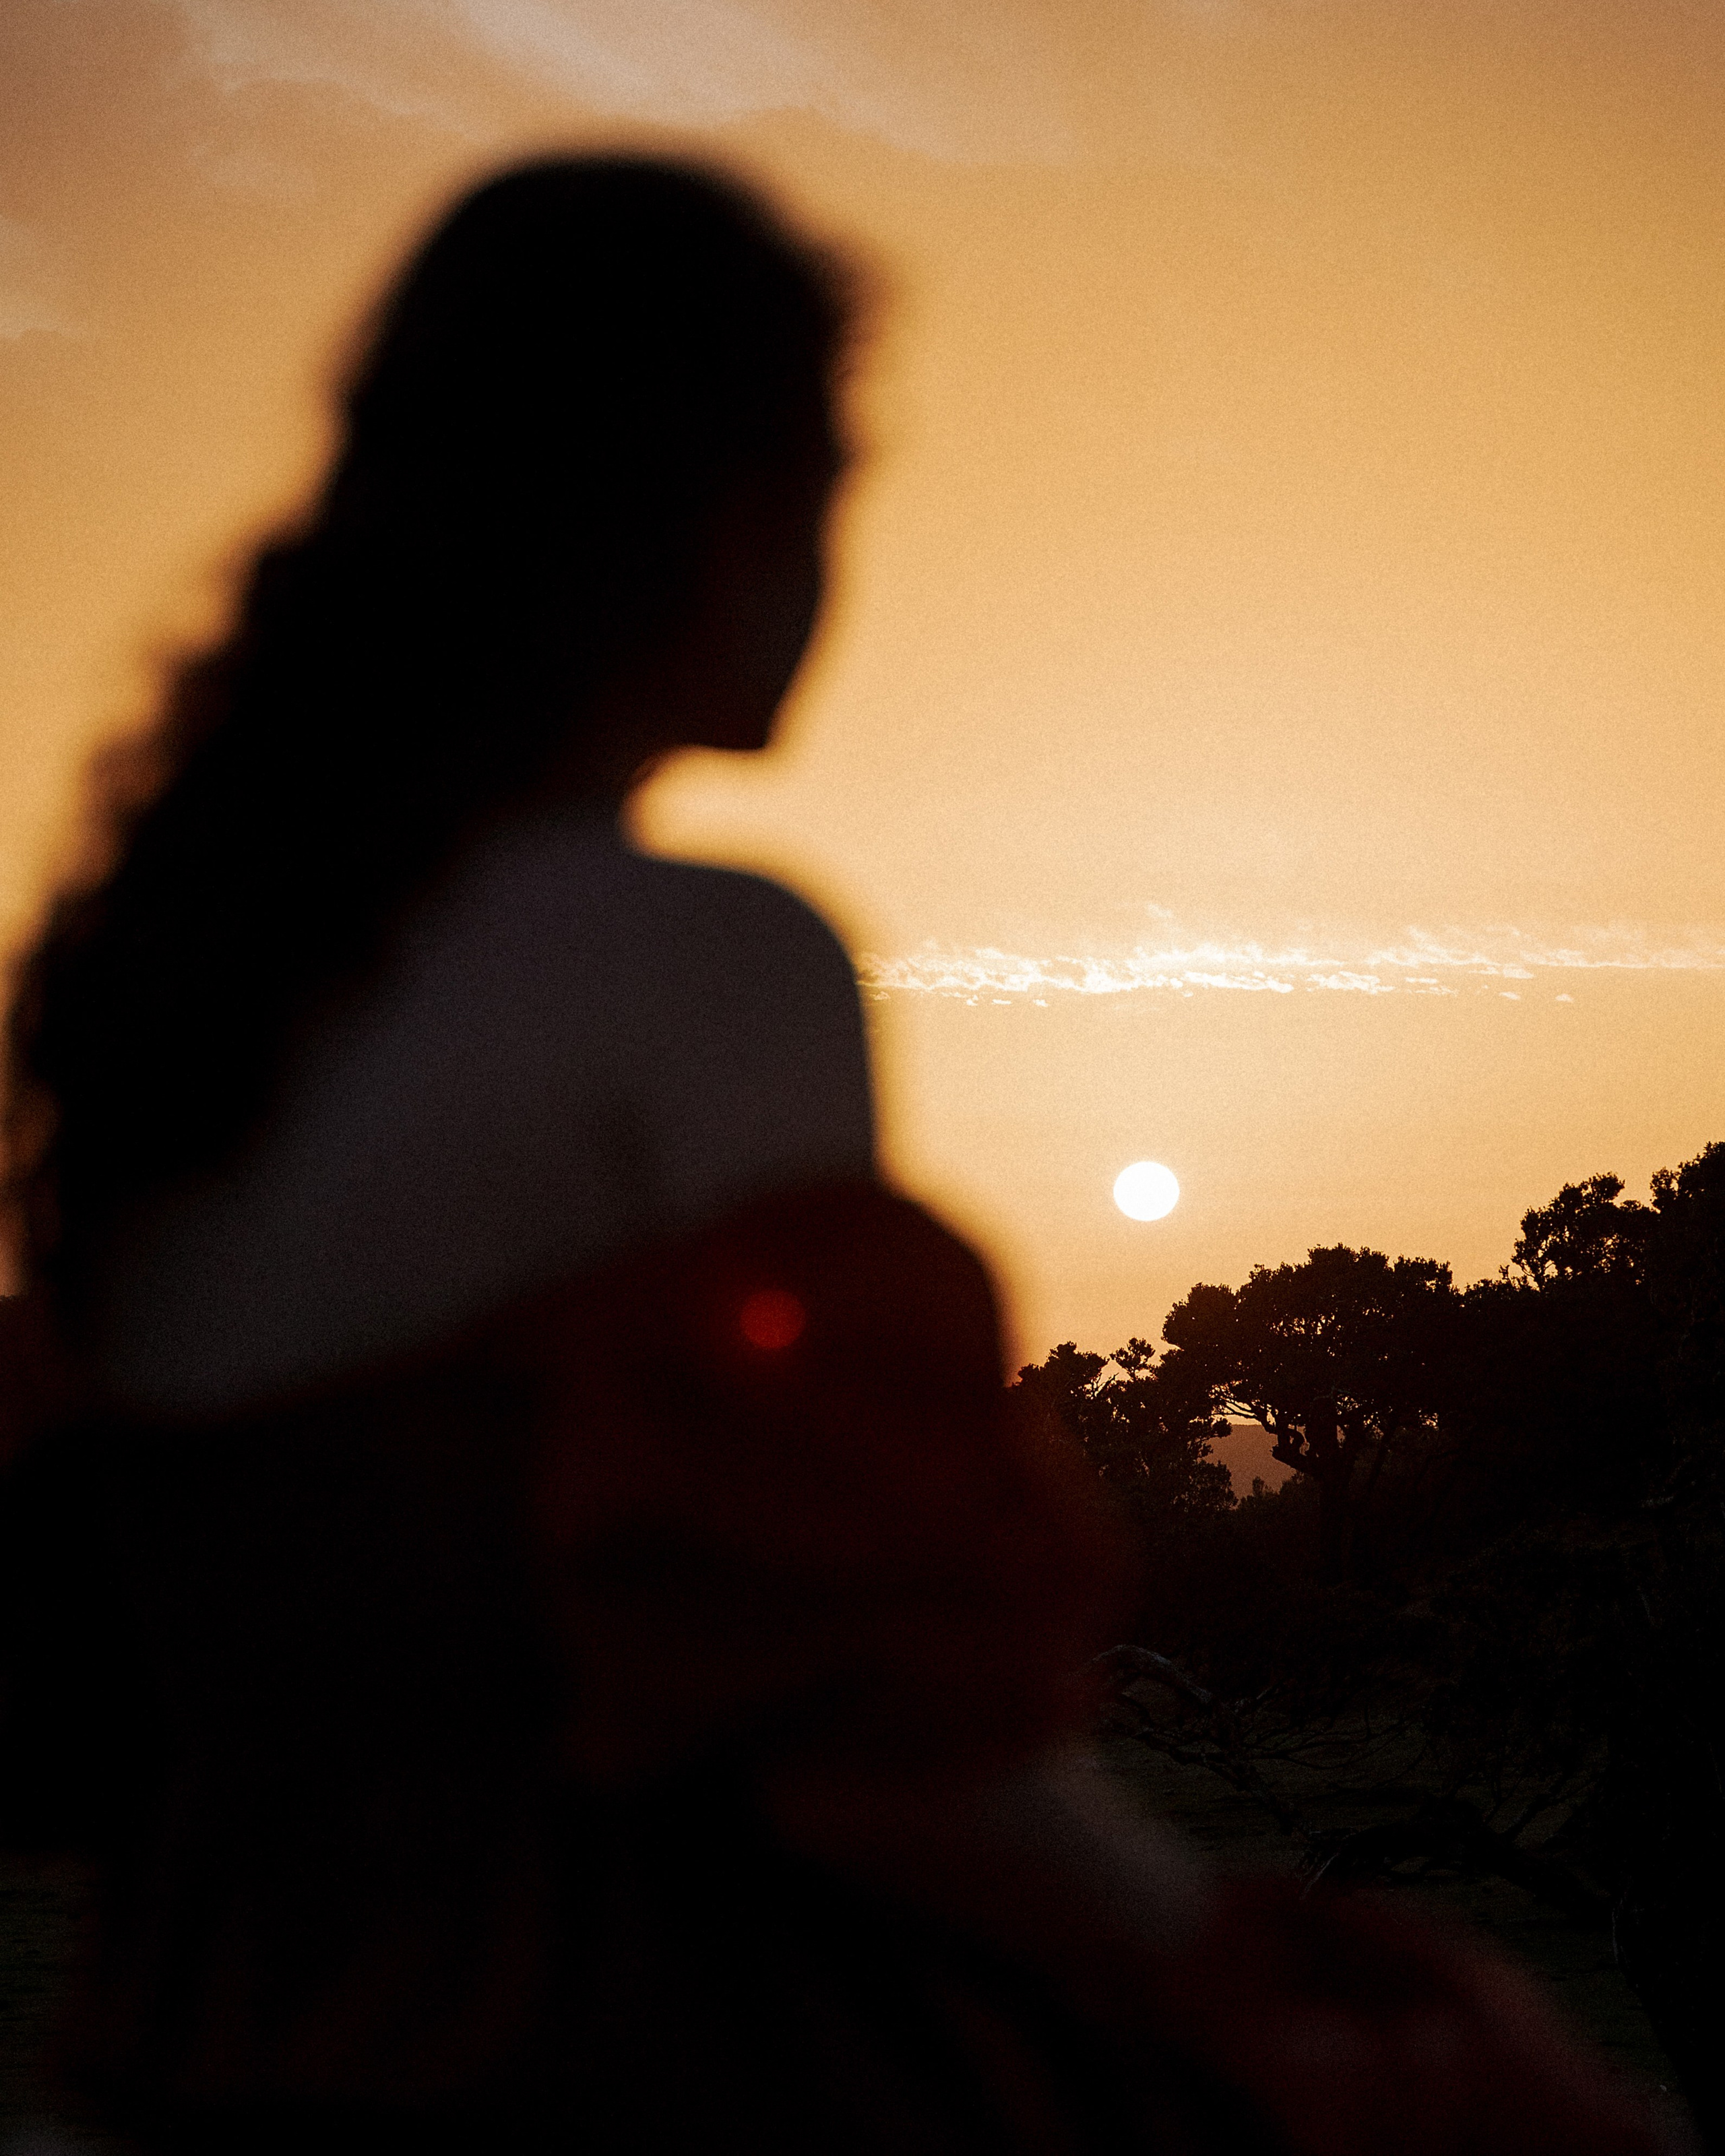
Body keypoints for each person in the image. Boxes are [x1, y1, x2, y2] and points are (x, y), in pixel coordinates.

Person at [0, 158, 1668, 2154]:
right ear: (720, 516)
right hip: (630, 2058)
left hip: (203, 2046)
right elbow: (870, 1745)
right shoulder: (706, 961)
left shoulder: (166, 1006)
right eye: (830, 487)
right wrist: (1242, 1973)